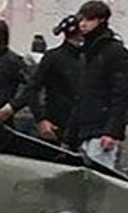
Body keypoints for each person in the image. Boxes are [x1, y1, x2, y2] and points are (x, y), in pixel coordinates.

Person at [66, 0, 128, 168]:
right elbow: (83, 94)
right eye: (81, 19)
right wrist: (70, 134)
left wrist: (111, 131)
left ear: (101, 20)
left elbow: (121, 94)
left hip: (101, 129)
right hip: (85, 128)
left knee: (98, 181)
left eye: (89, 20)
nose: (82, 24)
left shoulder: (114, 52)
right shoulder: (88, 52)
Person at [24, 15, 83, 146]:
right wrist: (41, 119)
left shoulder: (90, 58)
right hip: (56, 127)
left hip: (83, 129)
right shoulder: (53, 58)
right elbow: (32, 88)